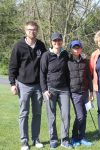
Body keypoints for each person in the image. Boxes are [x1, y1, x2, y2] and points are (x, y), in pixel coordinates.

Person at [9, 21, 46, 150]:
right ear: (25, 31)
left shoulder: (41, 45)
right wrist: (12, 84)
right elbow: (12, 66)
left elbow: (46, 64)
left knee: (37, 114)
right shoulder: (18, 46)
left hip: (38, 86)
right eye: (30, 29)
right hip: (23, 84)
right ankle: (24, 141)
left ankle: (36, 139)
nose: (32, 32)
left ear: (37, 30)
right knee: (24, 113)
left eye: (35, 29)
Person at [40, 32, 72, 149]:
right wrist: (44, 90)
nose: (57, 43)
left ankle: (65, 140)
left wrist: (82, 56)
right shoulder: (46, 55)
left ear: (62, 42)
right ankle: (53, 139)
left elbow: (71, 67)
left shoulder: (65, 54)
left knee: (66, 115)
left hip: (64, 90)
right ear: (51, 42)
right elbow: (42, 74)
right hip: (50, 89)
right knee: (51, 116)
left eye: (59, 40)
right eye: (55, 41)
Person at [68, 40, 93, 147]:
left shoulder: (85, 61)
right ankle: (74, 136)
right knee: (80, 116)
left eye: (78, 47)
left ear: (81, 48)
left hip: (85, 92)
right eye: (74, 48)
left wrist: (91, 91)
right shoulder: (67, 61)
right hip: (74, 93)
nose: (76, 49)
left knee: (85, 114)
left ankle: (82, 137)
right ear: (71, 49)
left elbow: (89, 77)